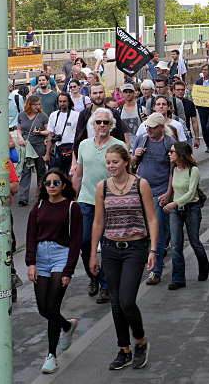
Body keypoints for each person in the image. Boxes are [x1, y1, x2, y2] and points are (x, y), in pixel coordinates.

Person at [90, 144, 159, 370]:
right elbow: (98, 221)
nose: (111, 166)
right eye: (108, 162)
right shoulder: (102, 187)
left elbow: (151, 218)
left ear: (125, 162)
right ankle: (124, 349)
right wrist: (93, 253)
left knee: (127, 301)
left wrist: (153, 249)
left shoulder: (141, 184)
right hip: (110, 248)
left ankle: (139, 341)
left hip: (135, 248)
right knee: (116, 303)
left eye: (115, 162)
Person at [26, 170, 83, 374]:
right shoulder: (38, 207)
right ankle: (66, 326)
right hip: (41, 256)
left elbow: (76, 241)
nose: (51, 186)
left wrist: (68, 270)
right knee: (43, 308)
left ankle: (51, 355)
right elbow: (31, 236)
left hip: (61, 255)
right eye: (48, 183)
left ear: (63, 185)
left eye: (56, 182)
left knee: (52, 305)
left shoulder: (72, 207)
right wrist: (31, 263)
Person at [72, 108, 124, 304]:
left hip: (110, 202)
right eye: (98, 122)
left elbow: (124, 175)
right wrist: (72, 199)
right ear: (92, 125)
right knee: (84, 242)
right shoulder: (84, 145)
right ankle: (95, 277)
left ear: (111, 125)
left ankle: (106, 286)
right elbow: (78, 174)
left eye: (105, 122)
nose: (102, 125)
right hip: (86, 201)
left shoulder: (119, 146)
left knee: (109, 246)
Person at [131, 113, 175, 286]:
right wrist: (136, 155)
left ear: (161, 127)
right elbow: (132, 164)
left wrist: (168, 192)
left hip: (160, 192)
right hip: (142, 191)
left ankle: (156, 270)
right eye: (147, 126)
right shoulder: (142, 139)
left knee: (157, 230)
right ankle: (147, 259)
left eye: (152, 127)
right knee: (142, 230)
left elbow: (173, 170)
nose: (148, 129)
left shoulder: (169, 143)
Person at [162, 142, 209, 290]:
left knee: (194, 241)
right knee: (176, 244)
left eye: (172, 152)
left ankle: (204, 266)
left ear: (180, 154)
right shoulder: (173, 169)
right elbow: (173, 187)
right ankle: (178, 279)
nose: (169, 154)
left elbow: (191, 193)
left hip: (191, 208)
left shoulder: (193, 170)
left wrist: (174, 203)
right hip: (176, 210)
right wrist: (167, 197)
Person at [72, 83, 126, 156]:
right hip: (88, 156)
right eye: (95, 93)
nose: (98, 95)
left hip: (110, 158)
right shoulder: (84, 114)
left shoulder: (114, 113)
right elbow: (78, 139)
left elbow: (120, 137)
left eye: (100, 92)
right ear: (90, 95)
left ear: (104, 93)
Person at [17, 96, 50, 207]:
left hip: (39, 145)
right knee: (25, 171)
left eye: (39, 104)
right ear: (29, 105)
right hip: (26, 146)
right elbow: (19, 128)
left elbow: (49, 131)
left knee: (40, 170)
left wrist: (40, 132)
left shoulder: (43, 116)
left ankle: (41, 196)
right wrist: (20, 138)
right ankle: (23, 197)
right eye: (35, 104)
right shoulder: (21, 115)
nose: (37, 106)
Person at [45, 93, 79, 176]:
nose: (62, 103)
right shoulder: (53, 115)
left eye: (64, 101)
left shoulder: (77, 115)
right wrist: (47, 154)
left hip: (73, 149)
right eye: (60, 101)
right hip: (58, 150)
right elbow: (50, 135)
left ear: (69, 102)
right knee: (57, 176)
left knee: (72, 176)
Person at [172, 81, 200, 148]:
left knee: (187, 157)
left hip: (186, 135)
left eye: (182, 90)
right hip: (172, 136)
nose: (180, 91)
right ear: (173, 91)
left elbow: (194, 121)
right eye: (178, 90)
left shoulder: (189, 104)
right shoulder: (168, 102)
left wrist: (197, 138)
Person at [118, 83, 142, 149]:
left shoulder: (141, 109)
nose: (128, 94)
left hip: (139, 147)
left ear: (134, 93)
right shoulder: (119, 111)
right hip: (124, 148)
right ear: (122, 94)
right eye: (125, 92)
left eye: (130, 92)